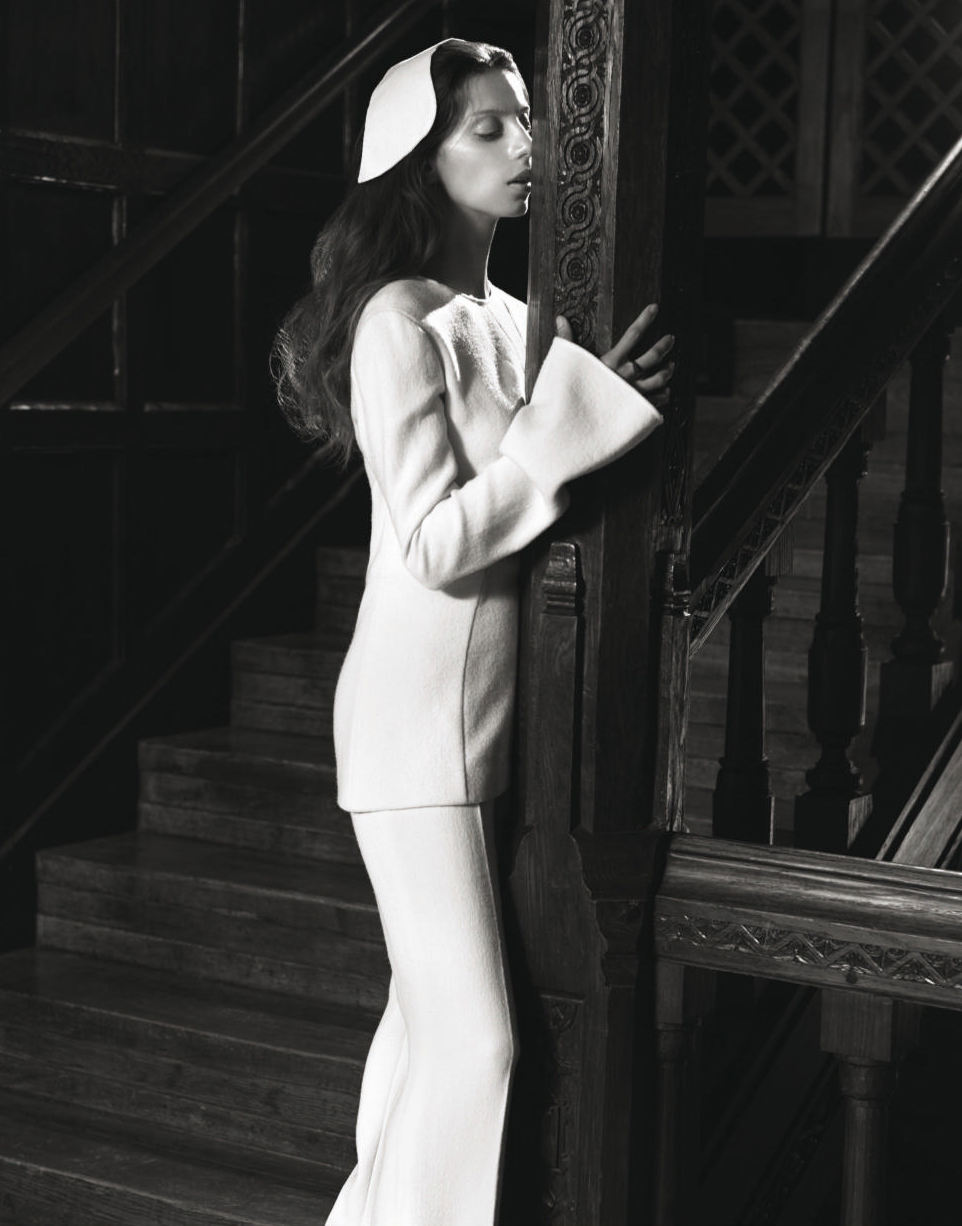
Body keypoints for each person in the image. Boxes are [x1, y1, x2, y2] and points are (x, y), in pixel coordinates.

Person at [272, 37, 674, 1226]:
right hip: (412, 723)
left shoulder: (508, 315)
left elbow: (544, 463)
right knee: (475, 1044)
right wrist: (568, 421)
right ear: (419, 159)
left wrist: (574, 403)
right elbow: (435, 542)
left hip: (480, 720)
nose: (524, 145)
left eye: (524, 119)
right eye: (486, 128)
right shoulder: (398, 319)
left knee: (421, 1021)